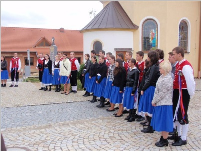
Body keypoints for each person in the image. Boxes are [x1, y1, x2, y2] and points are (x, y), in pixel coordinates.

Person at [169, 47, 195, 146]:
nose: (173, 56)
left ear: (179, 54)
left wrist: (190, 93)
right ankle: (178, 134)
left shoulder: (186, 66)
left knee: (182, 114)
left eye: (174, 54)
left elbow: (190, 81)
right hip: (177, 92)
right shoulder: (179, 64)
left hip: (183, 92)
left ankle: (183, 138)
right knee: (176, 113)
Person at [150, 61, 173, 147]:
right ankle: (162, 137)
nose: (159, 69)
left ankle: (164, 139)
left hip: (165, 103)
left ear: (165, 69)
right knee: (161, 121)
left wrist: (155, 100)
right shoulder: (161, 77)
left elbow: (162, 93)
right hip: (160, 102)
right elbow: (157, 90)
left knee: (165, 121)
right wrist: (154, 100)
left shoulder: (168, 79)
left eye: (160, 68)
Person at [138, 51, 160, 133]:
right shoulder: (153, 66)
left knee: (149, 108)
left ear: (151, 58)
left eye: (148, 56)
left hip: (150, 88)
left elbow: (149, 80)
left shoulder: (154, 67)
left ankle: (151, 127)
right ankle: (150, 125)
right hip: (150, 87)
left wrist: (143, 89)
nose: (147, 58)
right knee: (148, 107)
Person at [135, 51, 145, 121]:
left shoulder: (144, 64)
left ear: (141, 56)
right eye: (136, 56)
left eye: (138, 56)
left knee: (141, 98)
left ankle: (142, 114)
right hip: (137, 82)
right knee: (137, 98)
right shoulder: (136, 64)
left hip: (142, 82)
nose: (136, 57)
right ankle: (138, 112)